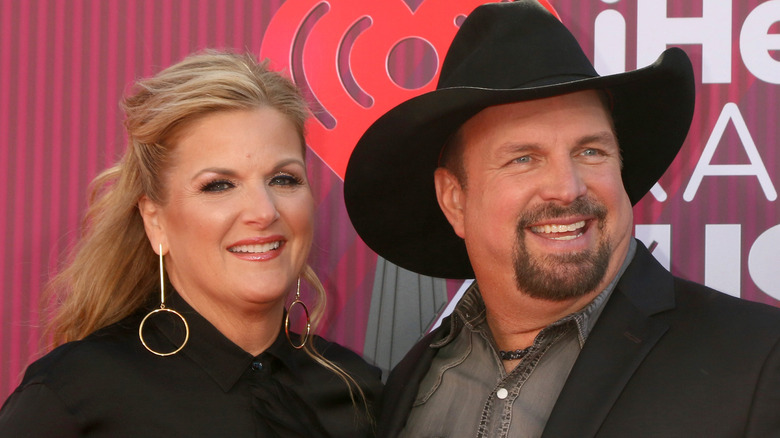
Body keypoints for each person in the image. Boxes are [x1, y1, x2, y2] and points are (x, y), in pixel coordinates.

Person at [343, 1, 780, 437]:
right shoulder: (408, 384)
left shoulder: (758, 360)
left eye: (591, 151)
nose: (568, 187)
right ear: (455, 200)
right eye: (524, 158)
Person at [0, 50, 381, 437]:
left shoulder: (355, 390)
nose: (263, 211)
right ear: (156, 221)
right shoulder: (75, 394)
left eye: (284, 179)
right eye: (219, 185)